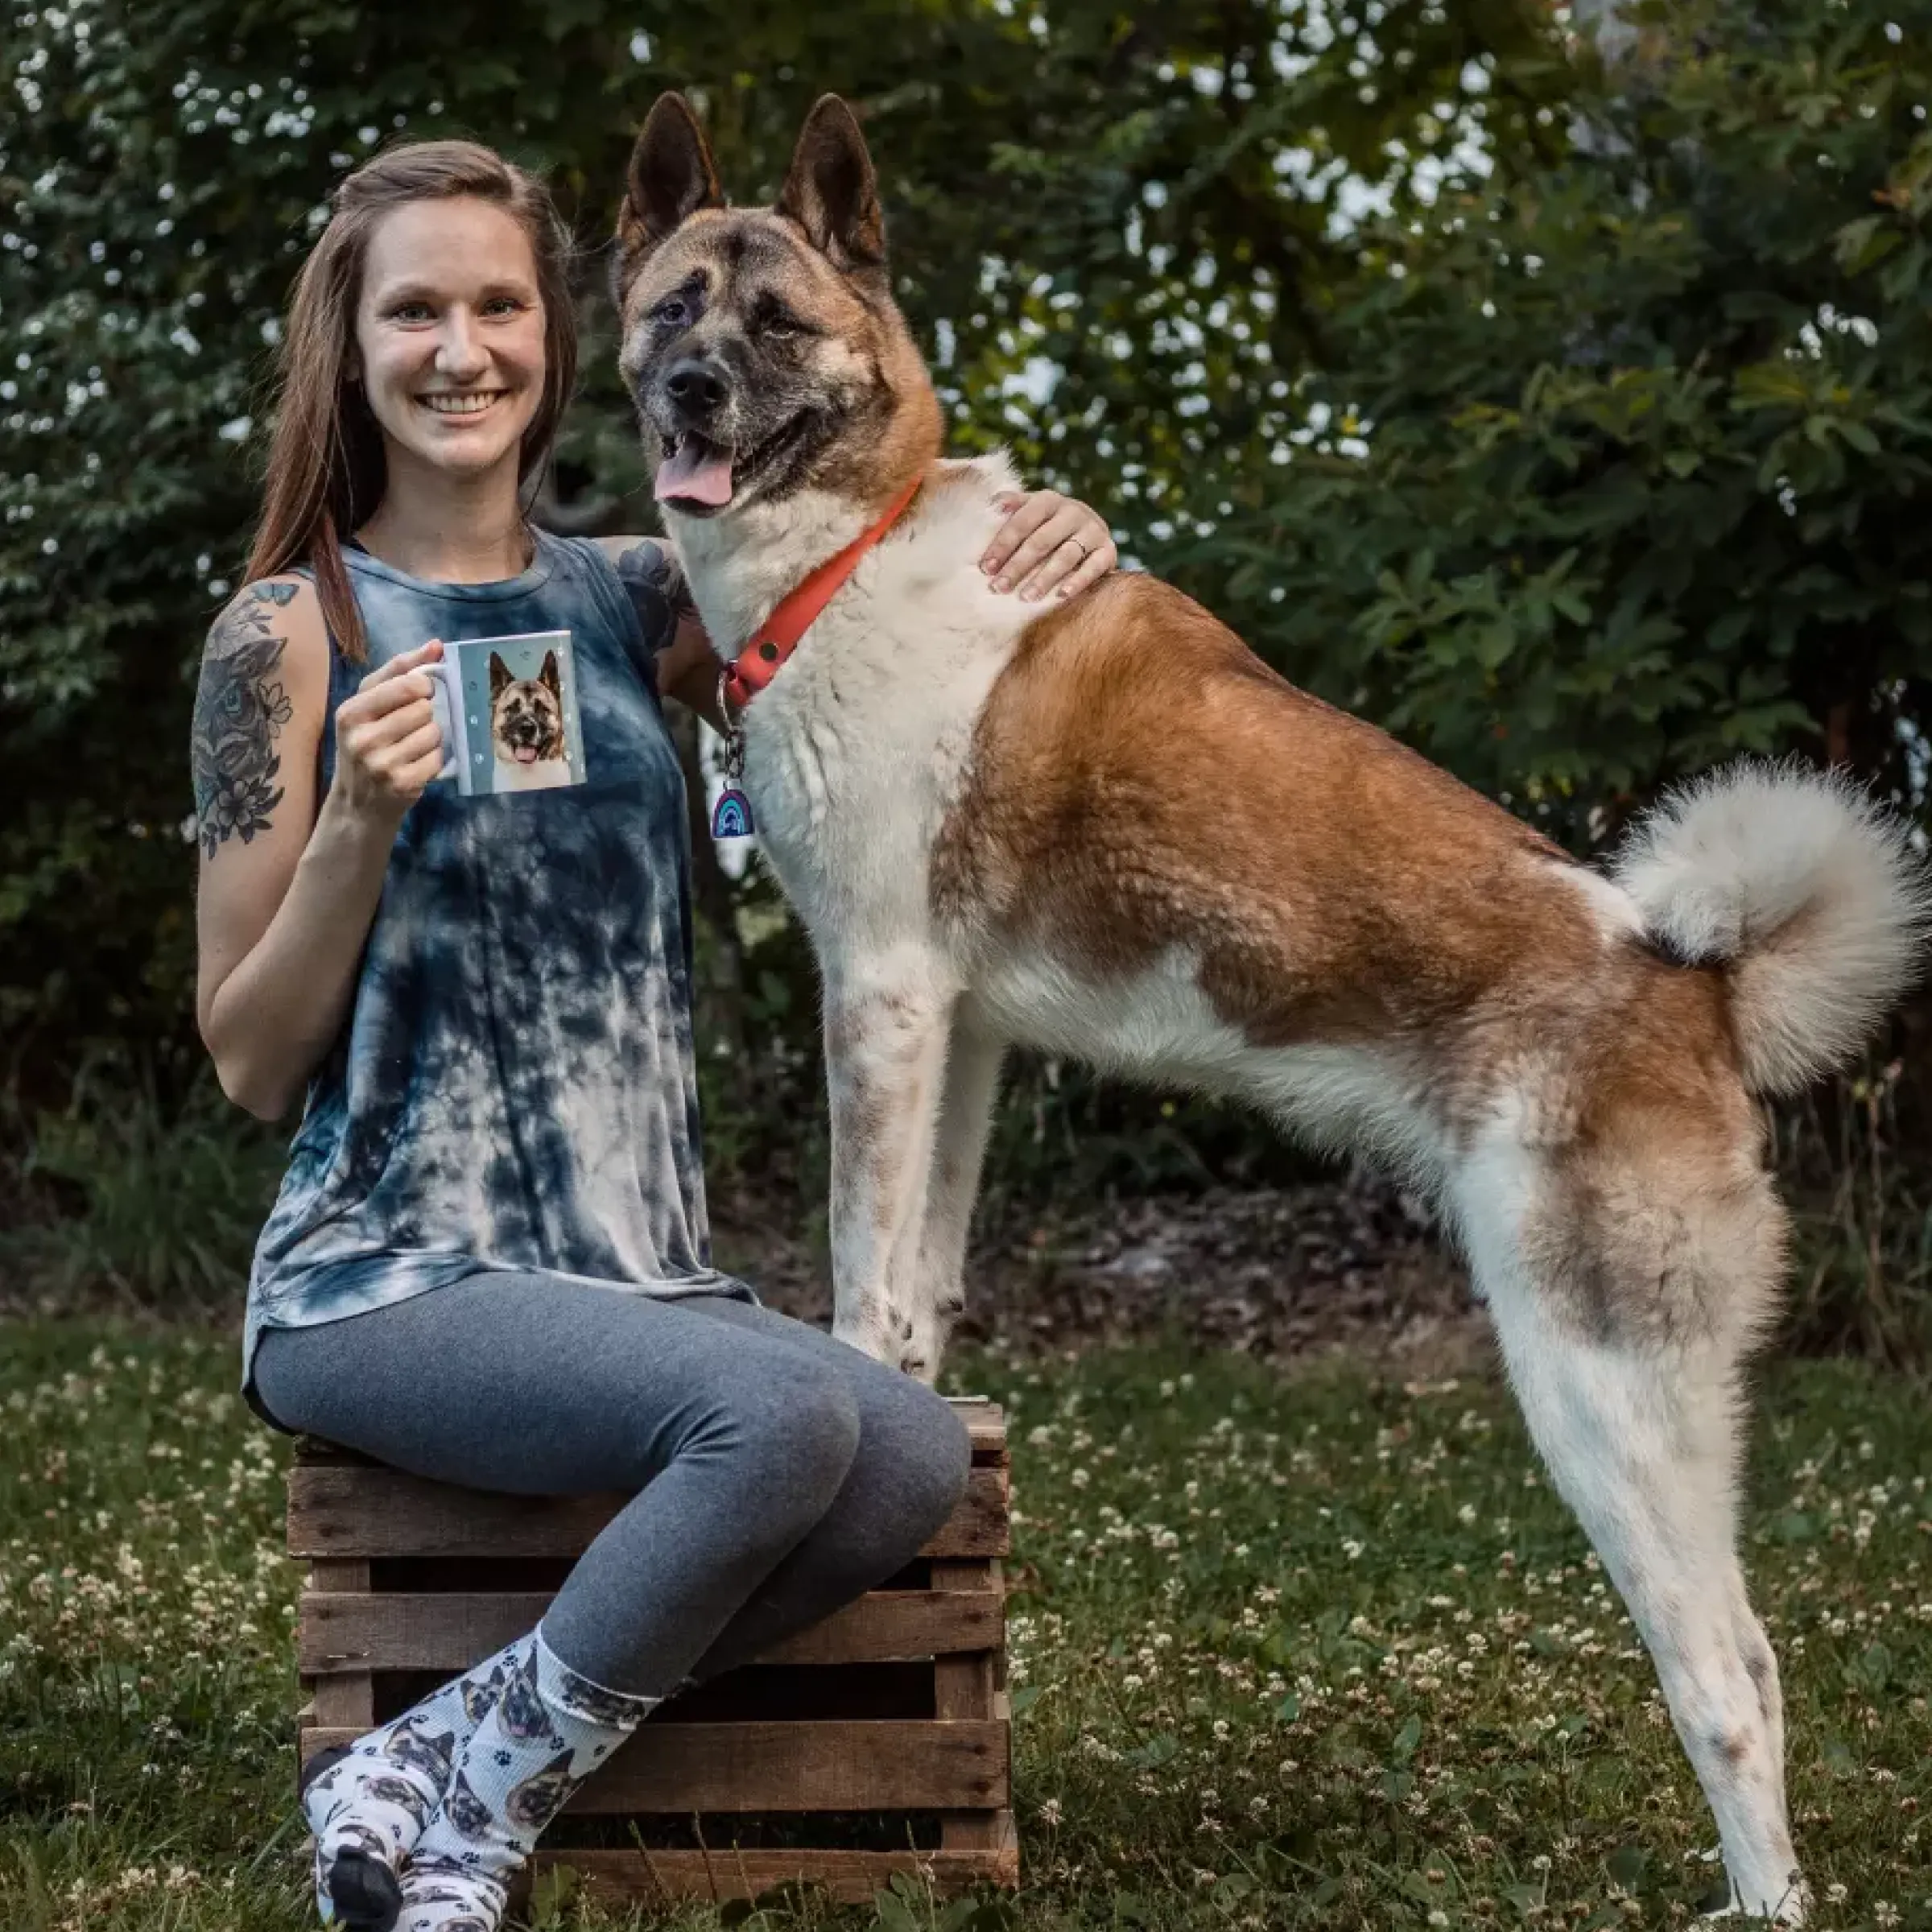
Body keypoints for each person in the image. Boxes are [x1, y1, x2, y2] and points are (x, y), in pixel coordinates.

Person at [192, 138, 1117, 1932]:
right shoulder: (285, 634)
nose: (459, 349)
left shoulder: (648, 601)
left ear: (560, 338)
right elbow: (245, 1059)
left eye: (497, 306)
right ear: (351, 342)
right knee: (778, 1418)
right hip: (390, 1277)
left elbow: (897, 571)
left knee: (912, 1453)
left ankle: (441, 1754)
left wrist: (1056, 531)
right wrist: (355, 832)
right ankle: (488, 1802)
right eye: (414, 310)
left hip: (635, 1279)